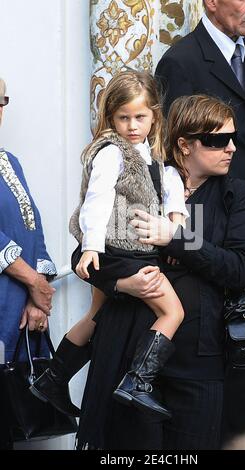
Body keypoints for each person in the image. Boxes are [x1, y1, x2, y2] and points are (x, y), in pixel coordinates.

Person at [75, 94, 245, 450]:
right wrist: (121, 282)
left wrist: (177, 238)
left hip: (200, 362)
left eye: (233, 138)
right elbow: (86, 251)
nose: (231, 149)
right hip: (131, 354)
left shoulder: (236, 196)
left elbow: (240, 269)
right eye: (218, 140)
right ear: (185, 144)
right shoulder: (145, 178)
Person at [155, 0, 245, 440]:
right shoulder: (180, 61)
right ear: (211, 1)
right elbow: (174, 166)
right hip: (203, 247)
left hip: (243, 236)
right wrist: (185, 241)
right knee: (200, 403)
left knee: (241, 386)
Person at [30, 70, 188, 420]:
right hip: (120, 251)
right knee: (173, 311)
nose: (132, 126)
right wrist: (91, 247)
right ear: (110, 117)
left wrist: (177, 227)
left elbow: (171, 197)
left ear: (154, 116)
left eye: (140, 117)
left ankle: (52, 378)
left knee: (97, 315)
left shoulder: (156, 159)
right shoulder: (111, 153)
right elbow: (97, 201)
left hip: (128, 249)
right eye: (123, 118)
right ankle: (137, 382)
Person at [0, 78, 56, 449]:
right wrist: (33, 282)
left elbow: (32, 226)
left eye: (1, 99)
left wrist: (39, 296)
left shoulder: (9, 162)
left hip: (18, 304)